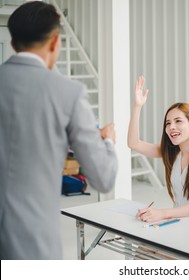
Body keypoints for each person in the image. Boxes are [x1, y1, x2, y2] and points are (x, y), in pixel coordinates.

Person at [0, 2, 118, 259]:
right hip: (34, 245)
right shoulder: (68, 93)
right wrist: (107, 141)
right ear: (55, 43)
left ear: (13, 44)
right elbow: (103, 178)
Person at [127, 76, 189, 222]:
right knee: (141, 243)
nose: (172, 127)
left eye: (178, 121)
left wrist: (161, 214)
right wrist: (137, 106)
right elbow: (133, 143)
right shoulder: (172, 153)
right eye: (168, 123)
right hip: (177, 223)